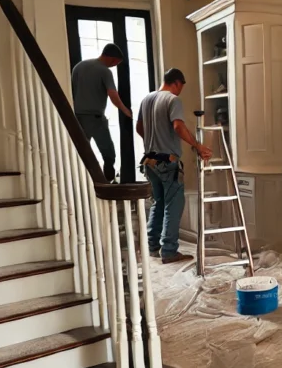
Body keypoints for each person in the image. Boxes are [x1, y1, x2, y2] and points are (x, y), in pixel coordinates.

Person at [135, 68, 213, 264]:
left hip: (149, 160)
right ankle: (169, 251)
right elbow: (178, 126)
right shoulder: (172, 99)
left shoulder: (147, 99)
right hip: (167, 162)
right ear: (177, 83)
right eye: (181, 87)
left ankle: (153, 246)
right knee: (174, 205)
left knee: (158, 202)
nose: (180, 92)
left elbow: (139, 127)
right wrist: (197, 145)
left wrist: (153, 140)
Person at [71, 43, 130, 182]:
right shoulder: (104, 71)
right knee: (109, 153)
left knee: (82, 153)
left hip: (78, 117)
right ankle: (108, 181)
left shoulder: (79, 67)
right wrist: (126, 110)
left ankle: (83, 182)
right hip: (95, 118)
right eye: (116, 63)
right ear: (112, 59)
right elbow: (113, 94)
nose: (115, 66)